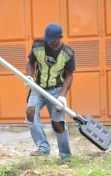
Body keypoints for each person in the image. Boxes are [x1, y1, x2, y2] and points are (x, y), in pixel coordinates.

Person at [24, 23, 75, 162]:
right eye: (48, 40)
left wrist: (62, 97)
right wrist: (29, 76)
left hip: (56, 90)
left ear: (60, 37)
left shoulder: (68, 53)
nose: (50, 43)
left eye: (53, 40)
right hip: (38, 88)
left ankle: (65, 156)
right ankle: (43, 148)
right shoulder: (38, 45)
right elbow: (31, 62)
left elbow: (69, 76)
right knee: (30, 113)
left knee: (58, 123)